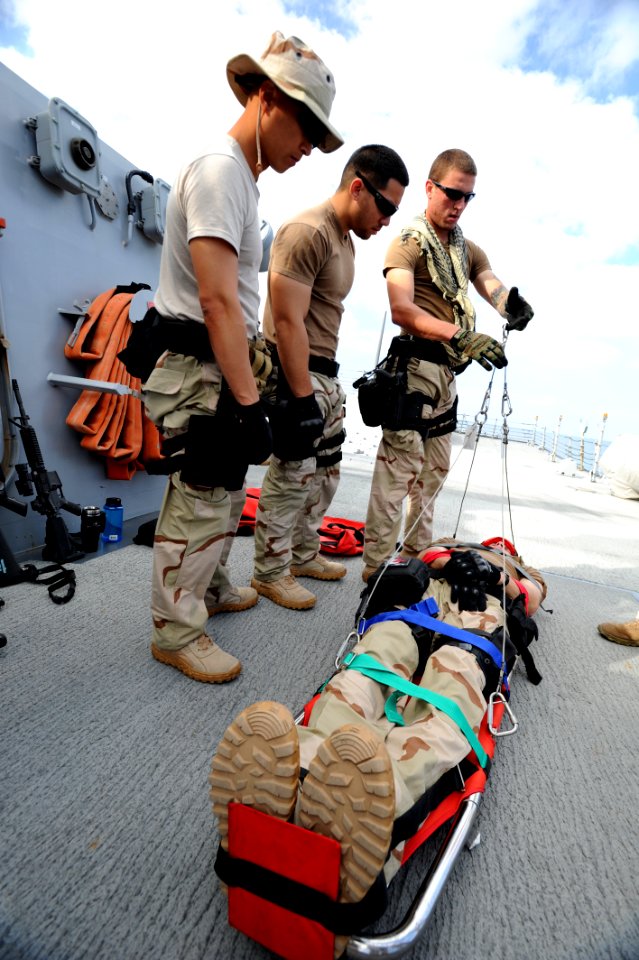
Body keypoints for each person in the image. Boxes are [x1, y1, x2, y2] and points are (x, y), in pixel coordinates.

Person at [127, 32, 343, 684]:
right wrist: (249, 405)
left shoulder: (240, 178)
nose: (307, 146)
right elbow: (219, 302)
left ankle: (213, 587)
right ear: (268, 98)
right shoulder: (222, 170)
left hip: (217, 362)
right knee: (203, 493)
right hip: (198, 364)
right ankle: (176, 630)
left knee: (221, 492)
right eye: (306, 126)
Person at [210, 536, 546, 936]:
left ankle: (376, 790)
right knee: (372, 663)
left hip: (485, 608)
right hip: (423, 600)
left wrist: (498, 575)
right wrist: (450, 558)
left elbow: (531, 596)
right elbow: (423, 557)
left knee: (454, 680)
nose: (494, 541)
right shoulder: (449, 543)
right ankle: (308, 770)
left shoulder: (518, 563)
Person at [360, 148, 534, 581]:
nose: (458, 205)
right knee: (398, 474)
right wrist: (461, 335)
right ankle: (376, 568)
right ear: (430, 188)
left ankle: (418, 556)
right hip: (414, 368)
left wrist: (509, 304)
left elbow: (489, 282)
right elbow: (401, 308)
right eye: (452, 194)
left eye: (467, 198)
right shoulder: (407, 242)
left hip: (446, 377)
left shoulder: (466, 248)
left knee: (433, 476)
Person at [251, 145, 410, 610]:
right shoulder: (309, 231)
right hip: (294, 373)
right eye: (386, 206)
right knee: (292, 475)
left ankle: (302, 554)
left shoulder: (345, 240)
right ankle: (270, 571)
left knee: (325, 474)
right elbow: (286, 321)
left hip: (326, 374)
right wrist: (300, 398)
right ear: (357, 187)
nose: (388, 219)